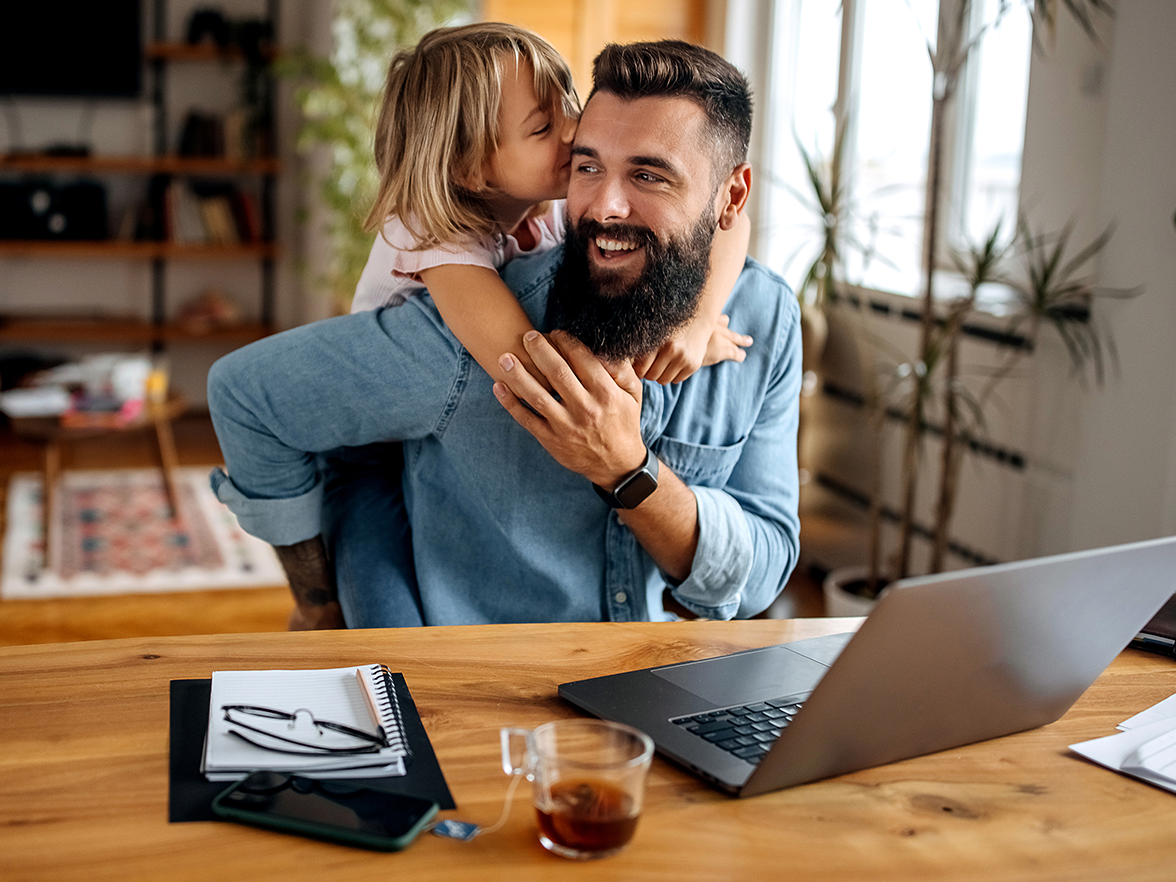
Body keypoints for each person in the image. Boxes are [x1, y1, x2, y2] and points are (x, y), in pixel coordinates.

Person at [208, 38, 803, 628]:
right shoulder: (454, 278)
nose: (602, 203)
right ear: (472, 166)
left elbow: (761, 574)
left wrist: (696, 321)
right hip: (372, 482)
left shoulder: (762, 316)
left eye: (648, 175)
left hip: (646, 681)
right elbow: (531, 368)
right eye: (586, 163)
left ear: (730, 192)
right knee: (380, 627)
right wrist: (316, 602)